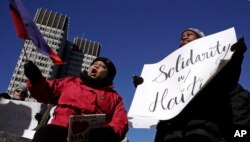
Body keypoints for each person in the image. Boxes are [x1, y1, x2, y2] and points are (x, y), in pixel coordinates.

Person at [133, 28, 249, 142]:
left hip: (202, 132)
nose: (184, 36)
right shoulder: (169, 72)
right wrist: (145, 87)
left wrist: (235, 57)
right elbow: (159, 101)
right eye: (182, 36)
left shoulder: (213, 68)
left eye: (190, 34)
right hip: (169, 134)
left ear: (201, 40)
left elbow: (228, 82)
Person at [24, 57, 129, 142]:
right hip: (59, 130)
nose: (96, 65)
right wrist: (36, 79)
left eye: (102, 66)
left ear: (108, 75)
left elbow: (120, 120)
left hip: (91, 137)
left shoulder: (114, 97)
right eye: (94, 64)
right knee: (45, 133)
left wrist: (110, 132)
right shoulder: (70, 82)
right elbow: (47, 91)